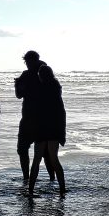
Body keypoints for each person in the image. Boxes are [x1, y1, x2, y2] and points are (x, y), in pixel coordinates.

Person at [28, 63, 66, 196]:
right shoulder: (56, 90)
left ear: (41, 76)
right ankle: (62, 189)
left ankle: (30, 190)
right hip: (54, 129)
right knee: (54, 158)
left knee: (36, 160)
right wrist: (62, 134)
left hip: (41, 129)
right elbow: (62, 113)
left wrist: (32, 131)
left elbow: (34, 113)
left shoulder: (39, 90)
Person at [14, 50, 46, 182]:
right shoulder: (46, 73)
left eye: (27, 62)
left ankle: (27, 178)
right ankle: (49, 179)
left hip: (29, 117)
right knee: (45, 153)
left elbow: (18, 95)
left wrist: (17, 84)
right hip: (43, 117)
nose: (26, 64)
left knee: (22, 149)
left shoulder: (27, 75)